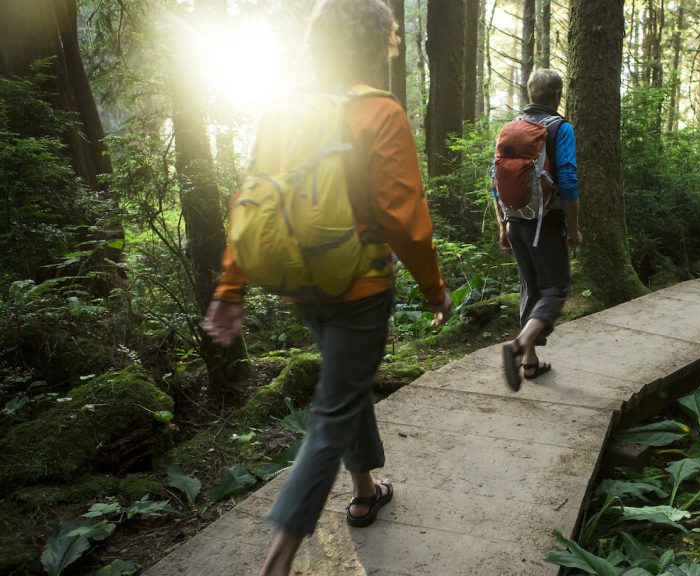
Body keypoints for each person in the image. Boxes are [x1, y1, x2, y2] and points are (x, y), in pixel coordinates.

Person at [201, 1, 451, 575]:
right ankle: (279, 559)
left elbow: (251, 200)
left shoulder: (285, 110)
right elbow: (403, 217)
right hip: (359, 285)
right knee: (334, 408)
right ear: (377, 44)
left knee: (346, 382)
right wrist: (435, 290)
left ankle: (365, 491)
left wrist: (231, 286)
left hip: (300, 283)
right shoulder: (379, 112)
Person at [495, 68, 582, 392]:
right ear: (557, 95)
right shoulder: (560, 128)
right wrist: (573, 229)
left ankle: (530, 364)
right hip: (545, 223)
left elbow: (495, 180)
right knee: (555, 288)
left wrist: (503, 225)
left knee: (529, 288)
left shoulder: (511, 129)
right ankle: (519, 347)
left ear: (531, 94)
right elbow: (569, 179)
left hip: (516, 221)